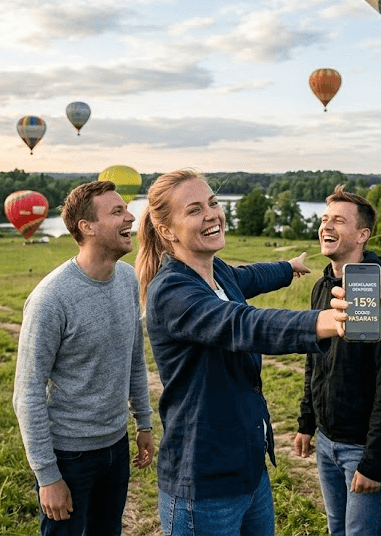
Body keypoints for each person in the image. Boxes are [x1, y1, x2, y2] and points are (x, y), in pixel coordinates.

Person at [135, 170, 348, 536]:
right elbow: (242, 324)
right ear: (167, 230)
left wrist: (287, 267)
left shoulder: (218, 272)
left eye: (214, 203)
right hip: (202, 481)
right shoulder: (171, 291)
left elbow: (250, 276)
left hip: (249, 470)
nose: (212, 215)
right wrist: (327, 321)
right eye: (194, 210)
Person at [13, 181, 155, 536]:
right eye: (117, 212)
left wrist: (144, 423)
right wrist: (47, 476)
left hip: (116, 447)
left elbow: (135, 359)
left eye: (127, 209)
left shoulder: (127, 279)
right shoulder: (51, 299)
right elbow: (27, 393)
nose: (131, 217)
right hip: (69, 457)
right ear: (86, 227)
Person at [294, 186, 381, 536]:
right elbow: (315, 360)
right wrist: (306, 421)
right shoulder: (323, 287)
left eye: (339, 221)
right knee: (336, 528)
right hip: (327, 442)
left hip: (362, 448)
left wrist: (374, 461)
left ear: (362, 234)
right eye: (325, 219)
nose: (326, 226)